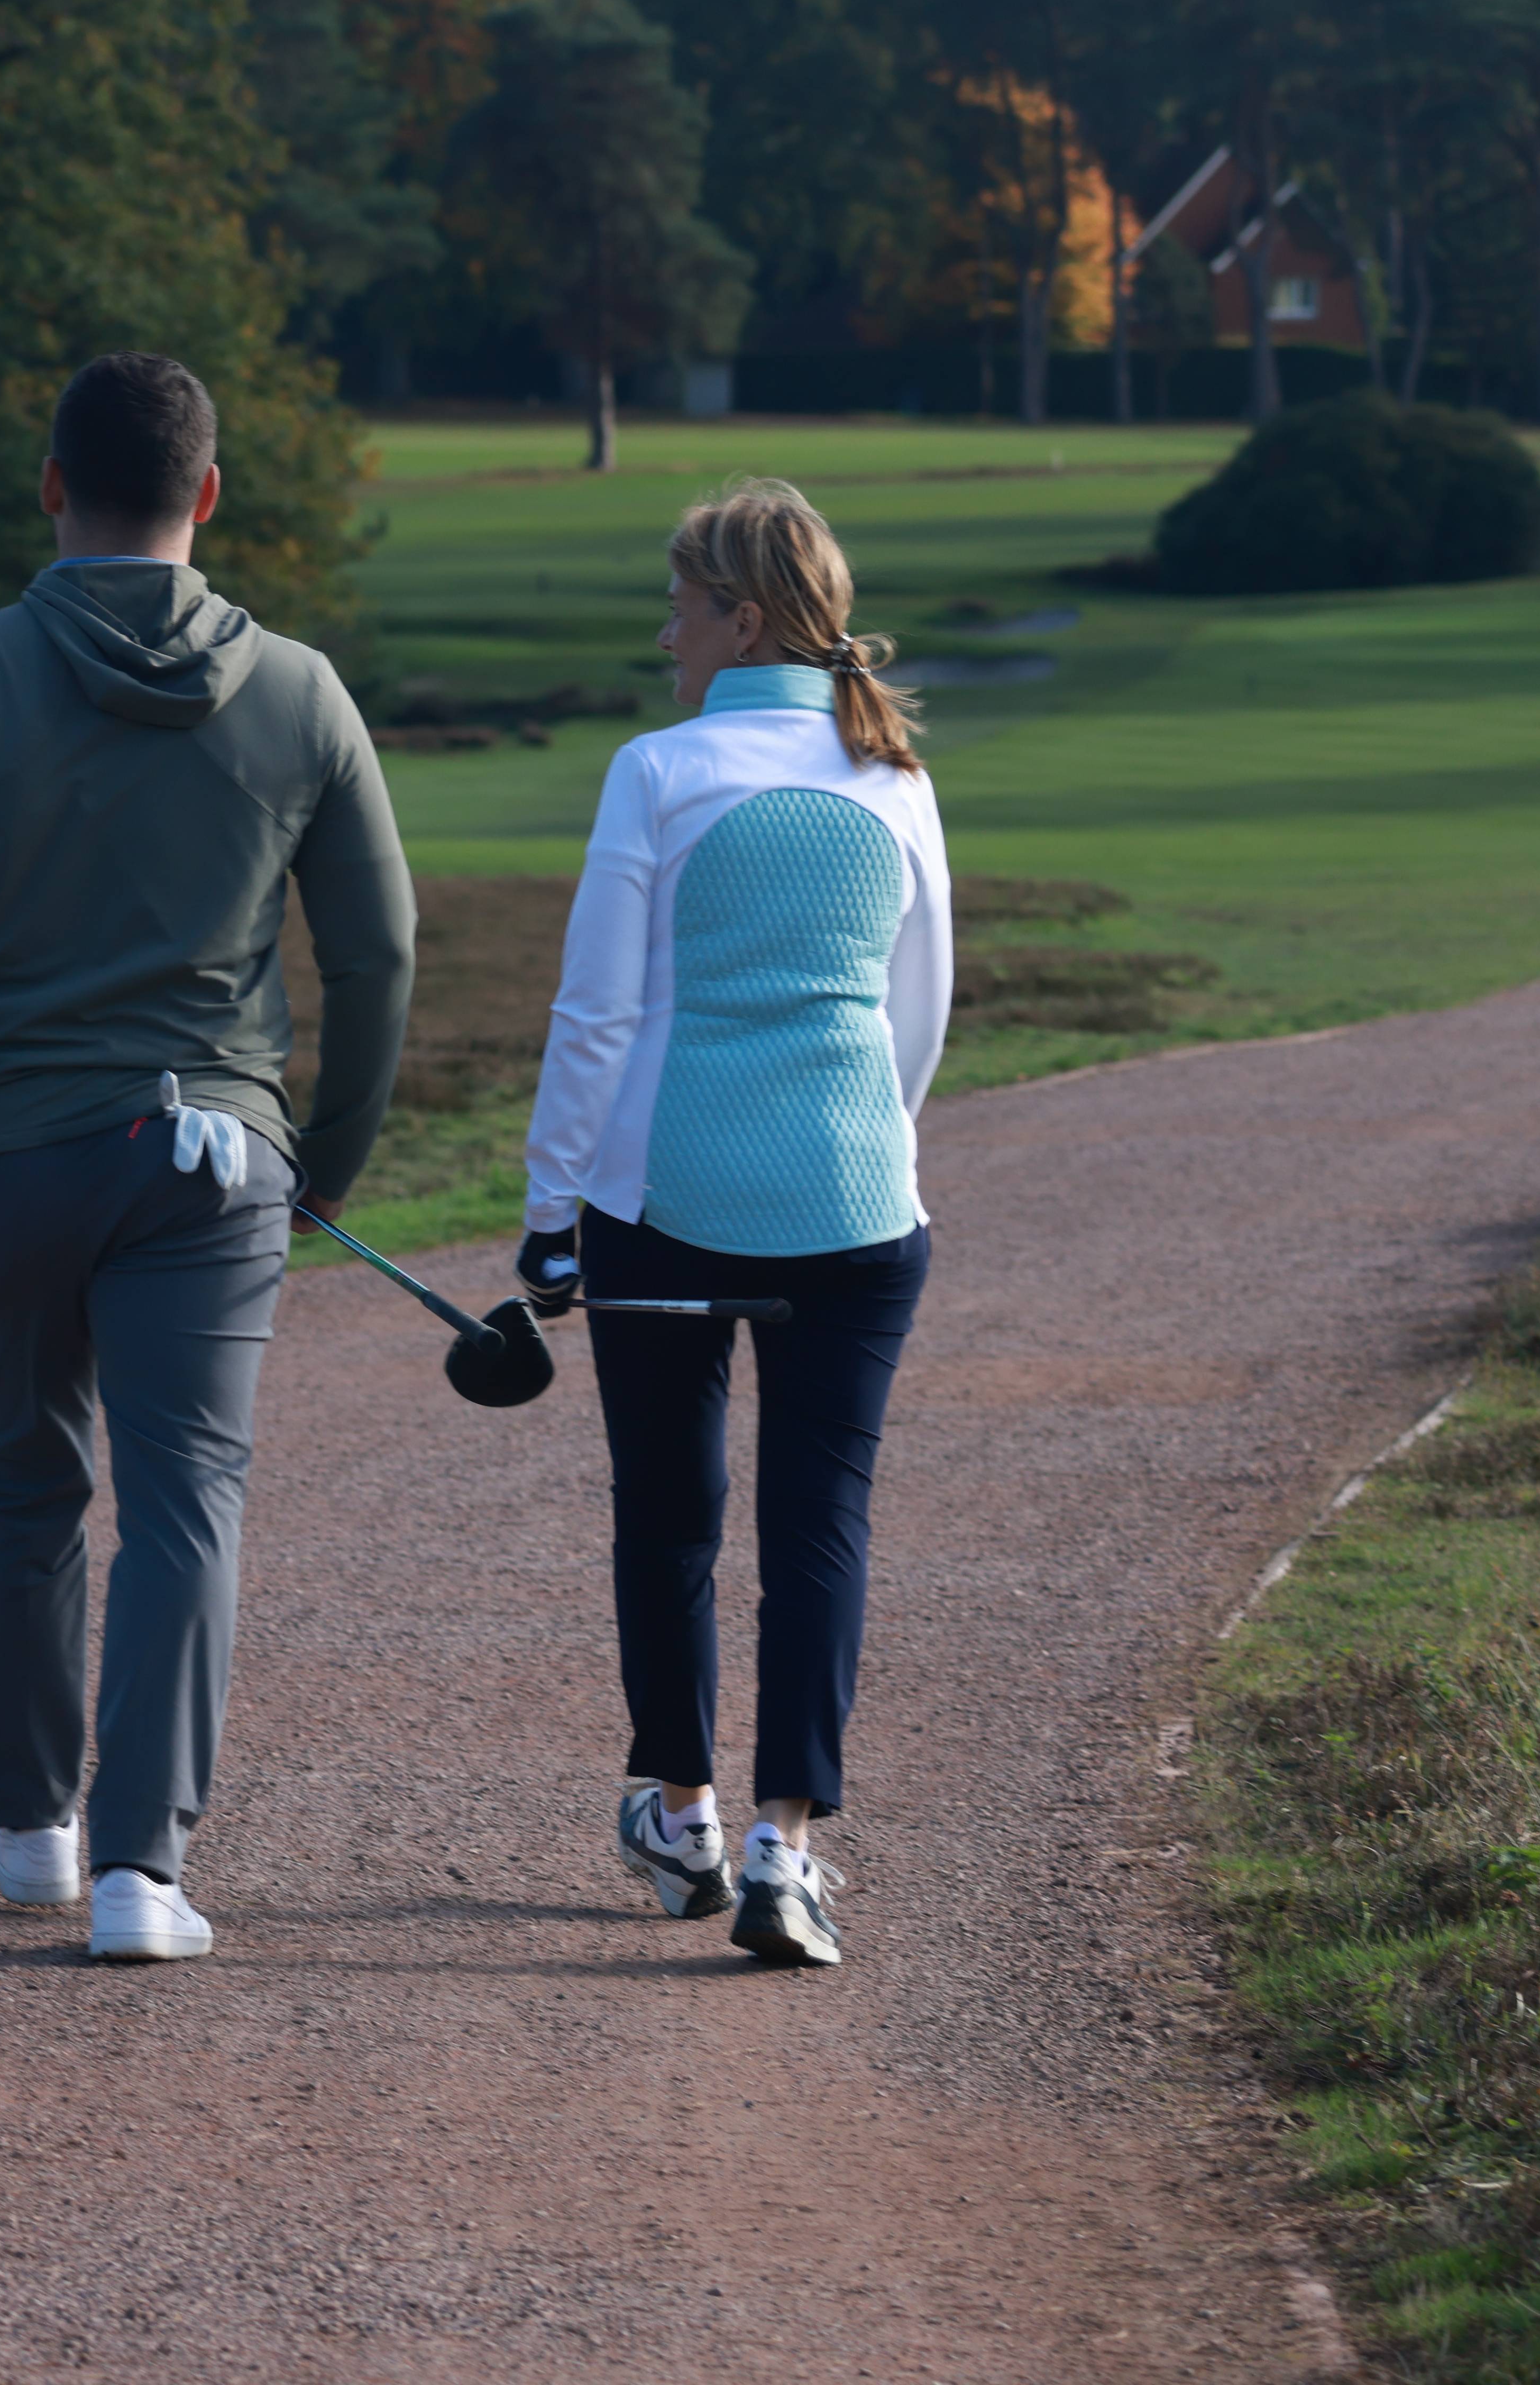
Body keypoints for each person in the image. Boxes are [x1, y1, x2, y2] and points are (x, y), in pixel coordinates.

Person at [0, 352, 414, 1966]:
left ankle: (27, 1832)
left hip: (0, 1150)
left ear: (53, 486)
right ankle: (142, 1872)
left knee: (19, 1477)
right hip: (214, 1154)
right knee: (187, 1496)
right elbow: (379, 956)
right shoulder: (303, 693)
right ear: (210, 496)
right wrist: (329, 1157)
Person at [512, 477, 949, 1971]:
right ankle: (787, 1849)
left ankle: (683, 1816)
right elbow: (918, 1014)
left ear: (743, 620)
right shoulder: (895, 777)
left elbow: (597, 1014)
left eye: (681, 606)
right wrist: (864, 1148)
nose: (666, 633)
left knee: (669, 1513)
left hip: (664, 1211)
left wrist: (551, 1213)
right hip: (856, 1207)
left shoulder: (657, 769)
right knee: (819, 1524)